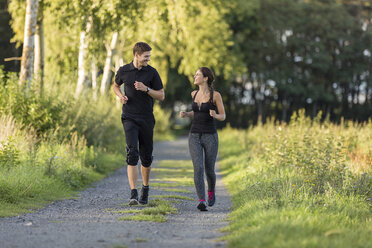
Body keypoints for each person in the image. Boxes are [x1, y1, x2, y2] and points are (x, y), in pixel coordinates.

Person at [113, 42, 165, 205]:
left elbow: (161, 96)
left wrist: (146, 89)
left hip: (146, 118)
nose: (148, 60)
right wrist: (120, 96)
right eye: (145, 57)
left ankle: (145, 187)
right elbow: (115, 85)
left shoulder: (152, 73)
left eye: (149, 57)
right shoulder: (124, 71)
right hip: (129, 116)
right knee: (132, 153)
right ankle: (133, 193)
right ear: (136, 55)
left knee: (146, 157)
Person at [179, 67, 226, 211]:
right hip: (194, 135)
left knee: (209, 170)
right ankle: (202, 200)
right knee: (198, 168)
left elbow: (223, 116)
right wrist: (187, 114)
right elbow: (197, 111)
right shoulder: (193, 94)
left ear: (205, 78)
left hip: (210, 135)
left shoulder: (215, 95)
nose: (195, 76)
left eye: (198, 74)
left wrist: (215, 115)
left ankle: (211, 192)